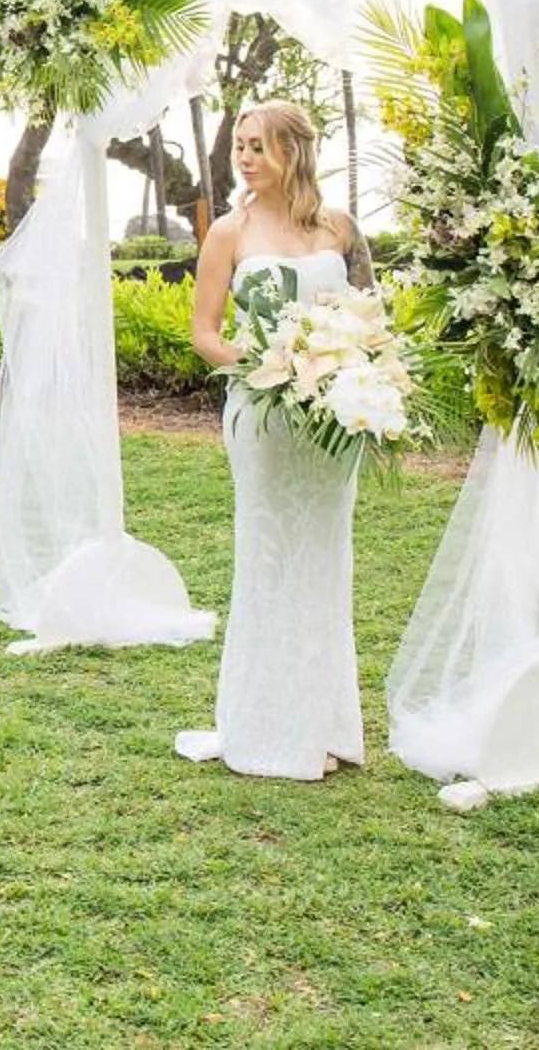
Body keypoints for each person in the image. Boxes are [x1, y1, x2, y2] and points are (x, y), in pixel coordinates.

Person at [175, 100, 374, 779]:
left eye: (259, 145)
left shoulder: (339, 229)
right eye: (240, 145)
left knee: (322, 560)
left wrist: (351, 372)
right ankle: (264, 725)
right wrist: (266, 367)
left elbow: (370, 316)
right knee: (267, 558)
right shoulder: (228, 232)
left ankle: (323, 724)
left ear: (295, 150)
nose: (245, 157)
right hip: (261, 417)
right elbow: (204, 332)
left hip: (330, 422)